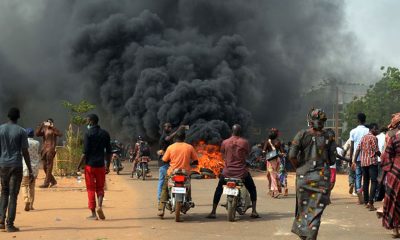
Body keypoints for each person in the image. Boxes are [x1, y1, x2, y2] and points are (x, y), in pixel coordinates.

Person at [289, 108, 336, 240]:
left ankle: (305, 236)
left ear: (309, 120)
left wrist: (299, 167)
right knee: (315, 212)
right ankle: (310, 237)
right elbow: (332, 159)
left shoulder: (301, 134)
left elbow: (292, 155)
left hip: (303, 177)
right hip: (322, 178)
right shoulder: (329, 136)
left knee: (303, 209)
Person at [206, 124, 260, 219]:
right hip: (241, 173)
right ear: (240, 132)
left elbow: (223, 155)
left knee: (219, 189)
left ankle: (213, 211)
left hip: (227, 172)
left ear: (232, 131)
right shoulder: (244, 142)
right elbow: (247, 155)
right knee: (252, 188)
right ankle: (254, 211)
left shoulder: (225, 142)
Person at [0, 108, 34, 232]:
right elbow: (25, 152)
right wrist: (30, 169)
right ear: (18, 117)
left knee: (4, 192)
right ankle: (10, 225)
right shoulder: (21, 131)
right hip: (16, 166)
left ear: (8, 116)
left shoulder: (1, 129)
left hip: (3, 165)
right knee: (13, 195)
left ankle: (1, 221)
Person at [77, 114, 112, 220]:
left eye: (88, 120)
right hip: (101, 165)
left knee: (91, 189)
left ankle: (93, 214)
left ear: (92, 121)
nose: (87, 122)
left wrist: (78, 165)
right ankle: (100, 206)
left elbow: (85, 152)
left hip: (90, 166)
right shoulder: (105, 133)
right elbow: (109, 152)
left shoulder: (88, 133)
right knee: (100, 188)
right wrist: (108, 166)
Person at [157, 129, 198, 217]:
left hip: (172, 173)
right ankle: (188, 201)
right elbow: (195, 161)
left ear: (175, 138)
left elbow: (164, 160)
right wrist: (191, 164)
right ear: (184, 138)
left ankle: (161, 209)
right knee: (188, 187)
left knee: (164, 188)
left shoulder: (170, 147)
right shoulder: (189, 147)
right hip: (185, 173)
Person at [381, 112, 400, 238]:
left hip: (395, 172)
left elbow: (386, 156)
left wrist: (386, 172)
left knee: (394, 199)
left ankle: (396, 229)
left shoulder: (392, 137)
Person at [353, 123, 380, 211]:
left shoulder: (363, 137)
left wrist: (354, 160)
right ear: (372, 129)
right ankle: (371, 203)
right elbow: (376, 151)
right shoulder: (374, 138)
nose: (377, 131)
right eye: (376, 129)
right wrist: (383, 156)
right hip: (372, 162)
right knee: (374, 182)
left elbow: (358, 149)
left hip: (363, 163)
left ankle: (366, 202)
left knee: (365, 182)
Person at [157, 123, 186, 202]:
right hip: (164, 163)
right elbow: (168, 138)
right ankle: (160, 198)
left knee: (171, 180)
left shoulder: (170, 142)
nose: (170, 128)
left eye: (170, 126)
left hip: (169, 162)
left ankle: (170, 196)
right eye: (168, 127)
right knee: (163, 181)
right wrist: (178, 131)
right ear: (164, 128)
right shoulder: (164, 136)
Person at [35, 118, 62, 188]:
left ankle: (46, 183)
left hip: (51, 149)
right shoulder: (44, 129)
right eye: (48, 122)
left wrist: (53, 127)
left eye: (50, 122)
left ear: (52, 123)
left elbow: (60, 134)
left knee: (49, 166)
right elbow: (37, 134)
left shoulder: (53, 130)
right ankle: (53, 181)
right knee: (44, 166)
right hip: (44, 149)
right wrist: (42, 124)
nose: (49, 123)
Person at [349, 113, 369, 203]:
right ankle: (365, 196)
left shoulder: (353, 131)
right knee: (366, 177)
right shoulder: (368, 130)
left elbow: (352, 147)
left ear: (358, 120)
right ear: (365, 120)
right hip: (367, 157)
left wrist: (350, 159)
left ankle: (359, 196)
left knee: (358, 176)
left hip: (357, 158)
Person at [21, 128, 40, 211]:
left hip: (26, 167)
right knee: (32, 187)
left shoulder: (24, 142)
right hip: (35, 167)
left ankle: (26, 200)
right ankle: (31, 205)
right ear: (33, 135)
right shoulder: (37, 143)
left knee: (24, 185)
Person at [263, 128, 285, 198]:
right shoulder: (278, 142)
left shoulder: (267, 142)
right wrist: (281, 154)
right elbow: (282, 152)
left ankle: (275, 191)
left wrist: (264, 154)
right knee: (273, 175)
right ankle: (273, 190)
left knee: (272, 176)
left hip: (270, 161)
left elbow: (263, 151)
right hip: (278, 160)